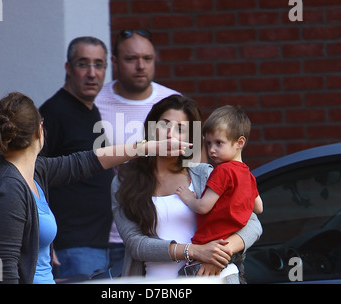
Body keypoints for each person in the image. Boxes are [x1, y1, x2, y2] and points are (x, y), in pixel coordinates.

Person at [0, 92, 191, 284]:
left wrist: (147, 147)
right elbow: (1, 267)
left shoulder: (35, 171)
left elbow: (86, 162)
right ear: (38, 130)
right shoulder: (8, 189)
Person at [111, 95, 262, 283]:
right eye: (164, 124)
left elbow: (253, 224)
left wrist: (218, 254)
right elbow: (135, 244)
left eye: (180, 129)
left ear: (190, 138)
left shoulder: (205, 174)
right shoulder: (124, 181)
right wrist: (194, 251)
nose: (170, 134)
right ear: (151, 127)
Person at [94, 29, 180, 268]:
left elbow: (192, 166)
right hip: (101, 236)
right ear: (114, 62)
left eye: (147, 59)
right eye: (131, 59)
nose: (140, 66)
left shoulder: (174, 103)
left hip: (160, 234)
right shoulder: (94, 101)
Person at [38, 36, 113, 278]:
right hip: (71, 246)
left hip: (97, 243)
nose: (92, 73)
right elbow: (32, 175)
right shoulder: (53, 113)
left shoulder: (91, 110)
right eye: (83, 64)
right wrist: (44, 240)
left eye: (99, 64)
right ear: (68, 68)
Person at [175, 105, 263, 281]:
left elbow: (203, 207)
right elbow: (259, 208)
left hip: (209, 244)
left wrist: (189, 198)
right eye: (208, 143)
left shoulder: (222, 171)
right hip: (234, 249)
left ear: (240, 143)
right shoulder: (248, 175)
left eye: (218, 143)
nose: (211, 150)